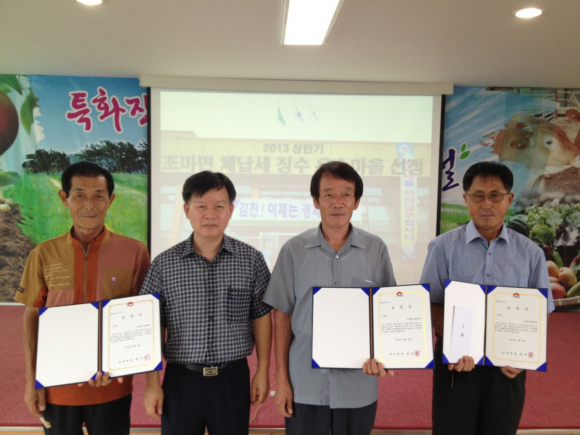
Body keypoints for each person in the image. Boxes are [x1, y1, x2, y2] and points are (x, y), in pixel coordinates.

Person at [420, 161, 555, 435]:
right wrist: (458, 343)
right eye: (478, 195)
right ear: (466, 199)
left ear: (510, 199)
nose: (487, 204)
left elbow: (540, 311)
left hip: (507, 365)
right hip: (457, 362)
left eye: (495, 195)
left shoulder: (531, 253)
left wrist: (524, 357)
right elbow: (430, 303)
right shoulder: (442, 247)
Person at [16, 162, 151, 435]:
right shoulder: (43, 254)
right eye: (79, 195)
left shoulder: (135, 252)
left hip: (111, 387)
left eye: (99, 195)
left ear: (111, 200)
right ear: (64, 198)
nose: (89, 205)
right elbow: (32, 317)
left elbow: (144, 319)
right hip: (56, 388)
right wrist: (32, 382)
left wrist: (128, 366)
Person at [262, 161, 396, 435]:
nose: (338, 202)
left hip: (358, 385)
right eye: (328, 194)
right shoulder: (294, 250)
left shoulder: (376, 249)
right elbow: (282, 316)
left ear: (356, 201)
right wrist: (282, 379)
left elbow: (389, 311)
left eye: (346, 194)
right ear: (316, 200)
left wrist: (386, 357)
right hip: (305, 384)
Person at [140, 171, 272, 435]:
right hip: (181, 380)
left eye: (219, 206)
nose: (210, 214)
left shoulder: (251, 260)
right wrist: (152, 383)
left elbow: (261, 316)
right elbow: (151, 326)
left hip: (232, 379)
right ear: (187, 210)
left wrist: (263, 370)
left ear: (230, 210)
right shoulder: (164, 264)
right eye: (201, 206)